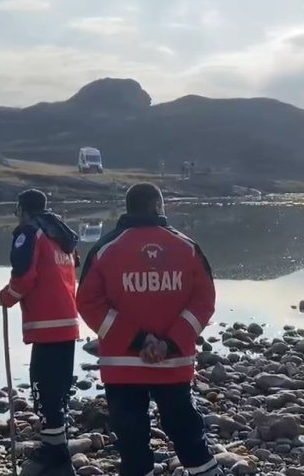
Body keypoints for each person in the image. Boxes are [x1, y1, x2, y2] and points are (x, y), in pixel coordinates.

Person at [76, 183, 220, 476]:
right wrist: (169, 343)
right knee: (187, 432)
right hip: (173, 363)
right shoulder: (187, 248)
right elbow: (203, 303)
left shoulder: (105, 249)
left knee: (131, 441)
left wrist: (138, 340)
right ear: (157, 207)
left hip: (122, 366)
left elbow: (88, 303)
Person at [0, 189, 81, 476]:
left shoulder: (31, 232)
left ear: (22, 209)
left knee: (44, 391)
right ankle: (58, 446)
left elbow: (24, 276)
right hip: (68, 322)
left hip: (46, 324)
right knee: (59, 390)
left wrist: (7, 297)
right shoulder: (61, 233)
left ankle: (55, 454)